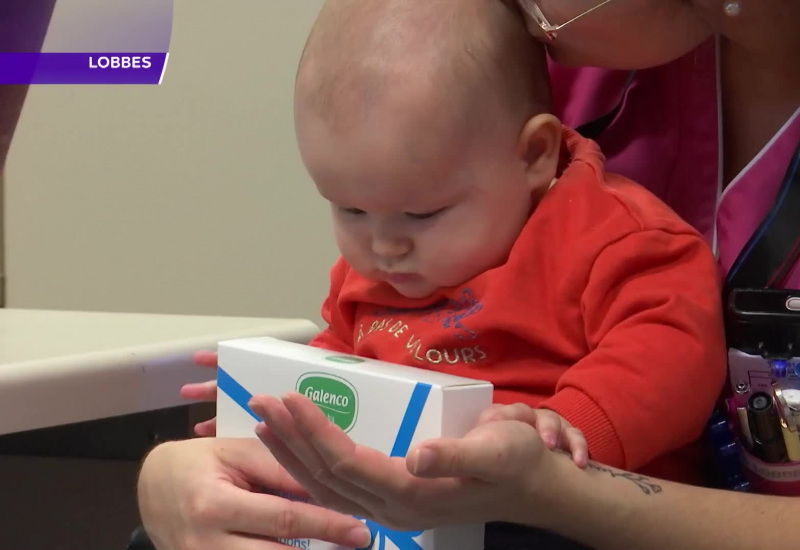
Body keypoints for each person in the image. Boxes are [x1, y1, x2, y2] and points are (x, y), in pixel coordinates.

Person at [138, 0, 800, 548]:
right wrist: (270, 409)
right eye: (349, 210)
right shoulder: (515, 85)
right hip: (405, 499)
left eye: (421, 214)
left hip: (559, 509)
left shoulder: (607, 231)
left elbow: (667, 351)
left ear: (535, 155)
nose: (384, 247)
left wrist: (564, 440)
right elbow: (344, 359)